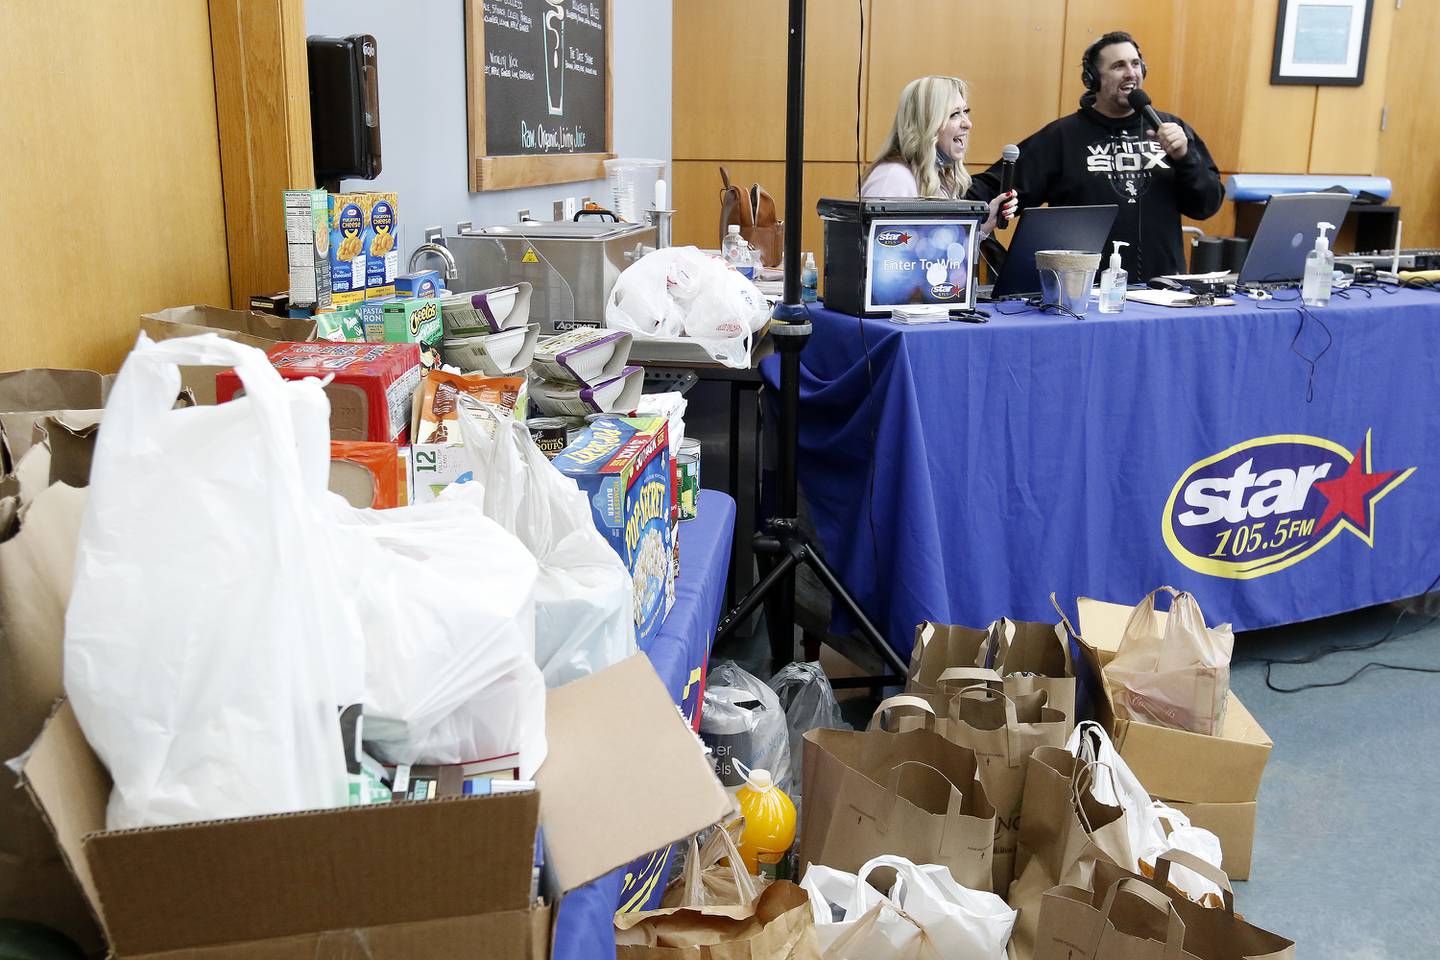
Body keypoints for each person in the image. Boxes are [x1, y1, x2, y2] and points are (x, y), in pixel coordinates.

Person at [970, 31, 1224, 279]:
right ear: (1092, 78)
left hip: (1161, 292)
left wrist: (1185, 156)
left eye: (1136, 64)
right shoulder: (1063, 136)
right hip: (1083, 295)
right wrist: (946, 201)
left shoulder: (1171, 131)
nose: (1131, 73)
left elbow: (1207, 205)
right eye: (1118, 66)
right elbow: (995, 188)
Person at [862, 75, 1017, 238]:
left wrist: (985, 226)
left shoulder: (940, 176)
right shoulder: (894, 177)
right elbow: (883, 256)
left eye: (965, 112)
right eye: (954, 114)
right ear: (926, 123)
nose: (968, 124)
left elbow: (937, 256)